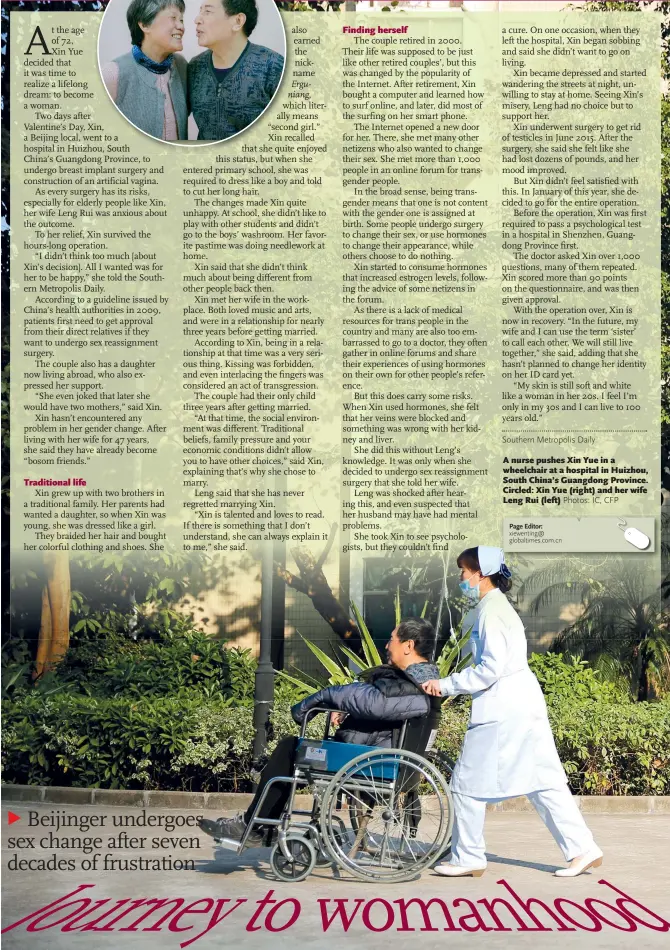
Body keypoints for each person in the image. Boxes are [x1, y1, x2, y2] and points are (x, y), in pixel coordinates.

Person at [421, 546, 603, 879]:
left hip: (504, 707)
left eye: (464, 571)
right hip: (520, 703)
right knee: (543, 780)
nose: (461, 577)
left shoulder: (491, 612)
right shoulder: (495, 608)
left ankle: (469, 857)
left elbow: (489, 668)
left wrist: (445, 685)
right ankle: (583, 849)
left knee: (464, 783)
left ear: (481, 574)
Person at [197, 617, 440, 845]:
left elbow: (376, 702)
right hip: (375, 758)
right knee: (292, 749)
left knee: (291, 748)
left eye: (392, 639)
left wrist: (322, 698)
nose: (387, 645)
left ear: (408, 645)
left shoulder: (414, 684)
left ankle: (255, 828)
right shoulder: (423, 681)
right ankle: (261, 827)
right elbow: (383, 709)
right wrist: (349, 710)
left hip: (368, 764)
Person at [188, 0, 284, 141]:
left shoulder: (272, 65)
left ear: (238, 21)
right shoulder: (195, 67)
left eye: (207, 11)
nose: (197, 20)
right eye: (200, 11)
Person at [101, 0, 188, 141]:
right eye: (173, 18)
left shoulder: (181, 66)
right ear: (145, 25)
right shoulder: (113, 73)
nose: (181, 26)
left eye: (181, 20)